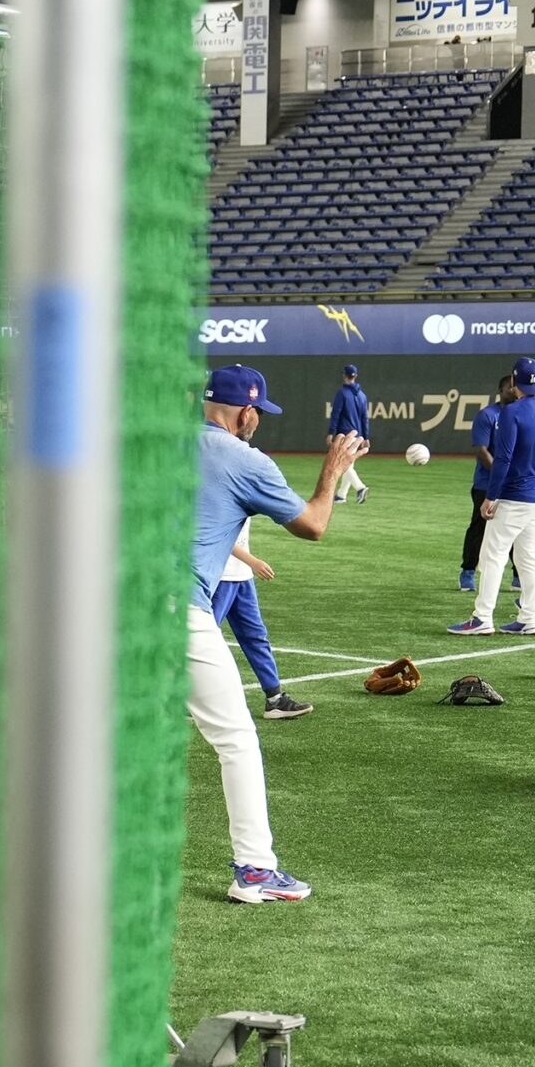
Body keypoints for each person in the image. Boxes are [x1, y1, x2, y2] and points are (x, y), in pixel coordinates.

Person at [190, 366, 366, 902]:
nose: (258, 423)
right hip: (173, 613)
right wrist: (333, 470)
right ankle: (255, 870)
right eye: (258, 414)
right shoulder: (245, 459)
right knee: (236, 740)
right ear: (245, 412)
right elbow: (314, 524)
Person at [452, 358, 535, 637]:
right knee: (528, 557)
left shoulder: (511, 413)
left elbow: (504, 459)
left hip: (515, 496)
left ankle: (482, 617)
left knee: (493, 555)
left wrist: (492, 496)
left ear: (514, 382)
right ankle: (528, 618)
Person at [212, 522, 313, 721]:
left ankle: (275, 700)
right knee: (201, 640)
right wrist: (253, 561)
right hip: (218, 577)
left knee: (256, 637)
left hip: (241, 577)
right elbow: (216, 532)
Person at [460, 374, 516, 591]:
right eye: (508, 388)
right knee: (479, 528)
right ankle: (467, 572)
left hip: (513, 485)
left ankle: (518, 575)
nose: (513, 390)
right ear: (500, 391)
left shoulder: (521, 415)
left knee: (514, 529)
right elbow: (481, 450)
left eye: (515, 387)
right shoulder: (488, 415)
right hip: (486, 483)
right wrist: (500, 474)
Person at [329, 365, 370, 504]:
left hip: (345, 434)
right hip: (358, 435)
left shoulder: (342, 393)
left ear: (344, 375)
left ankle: (360, 487)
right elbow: (365, 418)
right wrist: (366, 436)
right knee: (349, 463)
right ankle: (341, 495)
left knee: (344, 463)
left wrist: (331, 432)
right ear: (355, 376)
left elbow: (336, 413)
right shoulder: (362, 395)